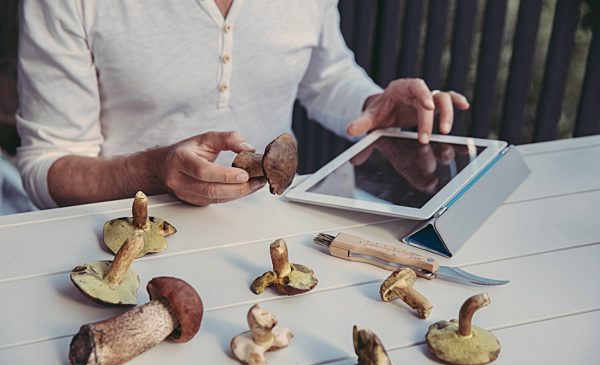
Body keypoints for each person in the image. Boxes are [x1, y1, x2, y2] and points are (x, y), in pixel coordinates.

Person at [17, 0, 469, 210]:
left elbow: (325, 74)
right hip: (127, 243)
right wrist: (155, 172)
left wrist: (374, 102)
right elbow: (47, 165)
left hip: (281, 236)